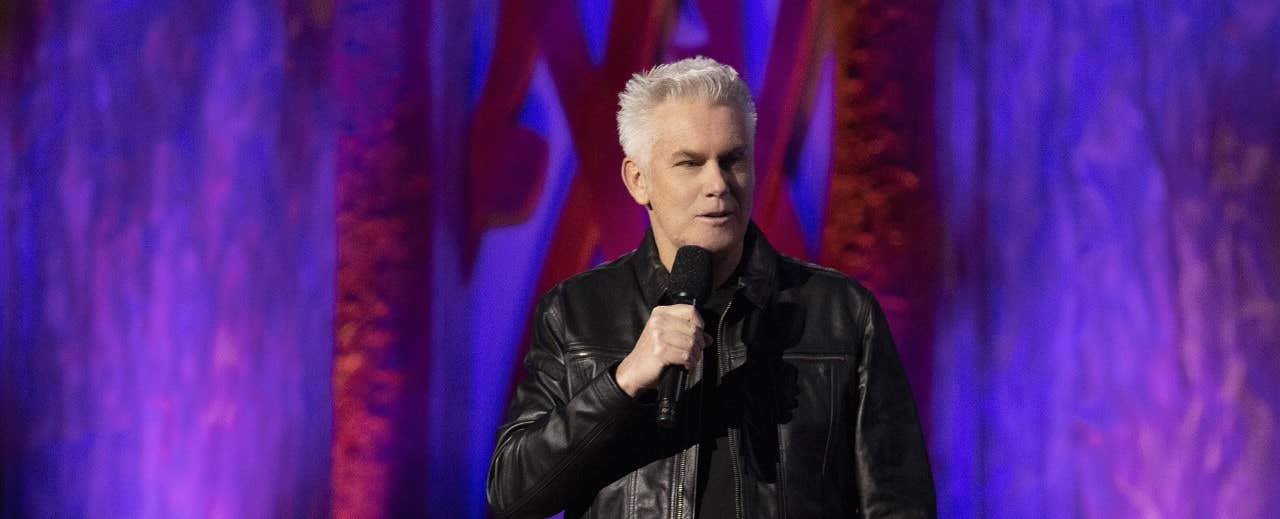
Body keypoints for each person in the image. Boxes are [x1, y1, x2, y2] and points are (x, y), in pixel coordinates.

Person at [487, 56, 935, 518]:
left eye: (733, 159)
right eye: (690, 163)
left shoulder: (841, 312)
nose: (718, 184)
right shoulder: (576, 312)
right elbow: (513, 494)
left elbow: (899, 503)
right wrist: (623, 382)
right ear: (638, 180)